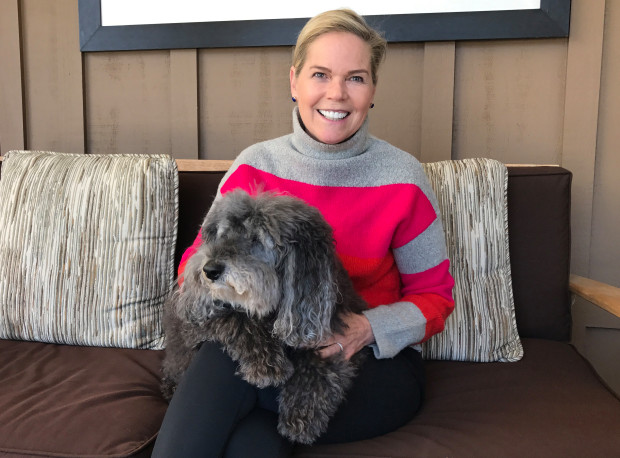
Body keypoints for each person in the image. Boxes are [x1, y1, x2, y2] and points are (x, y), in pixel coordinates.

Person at [153, 8, 454, 457]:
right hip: (263, 346)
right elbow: (197, 269)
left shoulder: (403, 178)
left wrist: (366, 328)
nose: (336, 93)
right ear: (294, 82)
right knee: (242, 409)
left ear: (372, 90)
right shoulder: (256, 167)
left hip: (363, 362)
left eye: (355, 78)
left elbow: (436, 297)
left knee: (236, 393)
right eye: (320, 74)